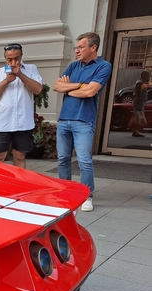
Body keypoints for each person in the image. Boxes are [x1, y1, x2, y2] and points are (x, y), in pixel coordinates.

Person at [54, 32, 112, 212]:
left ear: (93, 48)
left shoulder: (103, 66)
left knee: (84, 160)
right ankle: (66, 193)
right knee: (63, 159)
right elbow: (57, 86)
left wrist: (70, 87)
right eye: (76, 48)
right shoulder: (73, 66)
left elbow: (90, 92)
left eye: (81, 47)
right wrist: (79, 85)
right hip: (64, 119)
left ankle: (87, 196)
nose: (77, 51)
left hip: (84, 121)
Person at [0, 43, 43, 168]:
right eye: (9, 59)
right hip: (2, 123)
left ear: (21, 56)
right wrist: (6, 81)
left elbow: (38, 89)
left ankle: (17, 185)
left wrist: (20, 75)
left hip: (23, 123)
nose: (13, 62)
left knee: (20, 156)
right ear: (5, 59)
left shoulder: (31, 69)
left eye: (16, 58)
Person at [131, 70, 150, 137]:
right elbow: (139, 93)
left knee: (138, 118)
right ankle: (135, 131)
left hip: (140, 103)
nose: (149, 77)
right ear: (144, 76)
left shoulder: (141, 82)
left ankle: (136, 131)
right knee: (138, 119)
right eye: (148, 76)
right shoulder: (140, 83)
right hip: (138, 103)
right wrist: (139, 104)